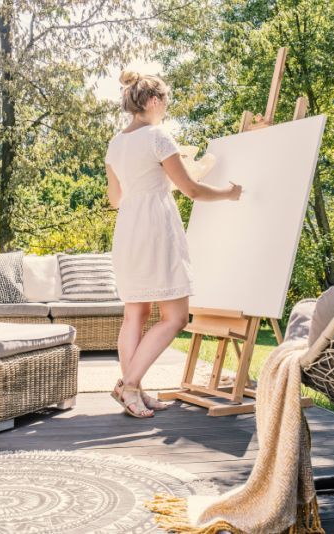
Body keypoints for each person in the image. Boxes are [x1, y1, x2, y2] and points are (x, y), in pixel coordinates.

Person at [105, 71, 242, 418]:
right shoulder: (158, 136)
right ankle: (130, 385)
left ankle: (134, 389)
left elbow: (115, 198)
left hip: (128, 230)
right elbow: (191, 190)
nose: (166, 108)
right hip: (155, 229)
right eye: (165, 101)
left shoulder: (115, 143)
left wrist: (150, 185)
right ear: (153, 101)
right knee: (176, 316)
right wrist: (229, 193)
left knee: (135, 313)